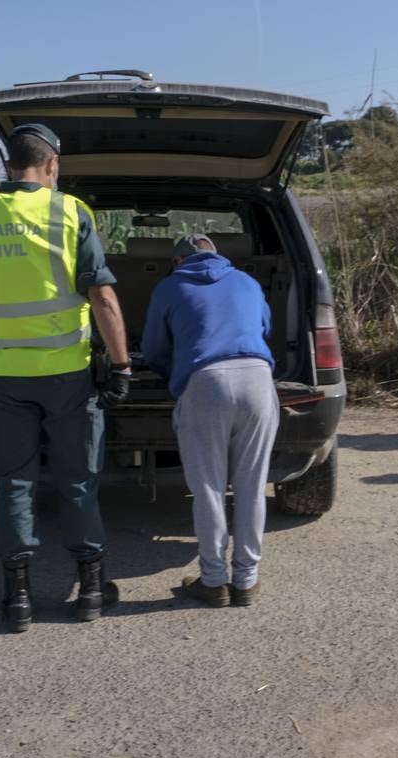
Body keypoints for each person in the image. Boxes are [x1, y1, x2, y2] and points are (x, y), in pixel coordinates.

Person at [0, 123, 133, 631]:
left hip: (2, 372)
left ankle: (17, 601)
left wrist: (0, 319)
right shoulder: (68, 211)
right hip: (66, 374)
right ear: (52, 165)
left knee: (14, 484)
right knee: (77, 483)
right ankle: (90, 592)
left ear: (8, 165)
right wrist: (121, 364)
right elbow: (104, 297)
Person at [141, 234, 278, 608]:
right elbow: (265, 330)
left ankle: (214, 580)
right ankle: (247, 581)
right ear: (219, 256)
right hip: (258, 378)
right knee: (251, 485)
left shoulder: (170, 287)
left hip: (206, 382)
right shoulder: (247, 282)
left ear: (177, 261)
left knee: (209, 487)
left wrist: (172, 375)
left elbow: (153, 348)